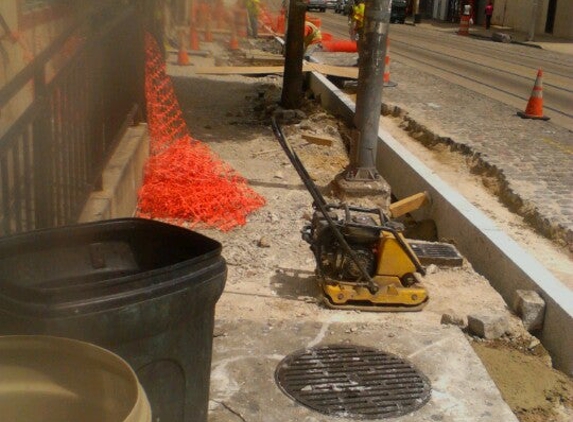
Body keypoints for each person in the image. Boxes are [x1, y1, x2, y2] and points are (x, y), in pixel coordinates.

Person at [350, 0, 365, 64]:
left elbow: (356, 18)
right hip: (362, 27)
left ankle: (361, 60)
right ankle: (361, 59)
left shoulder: (360, 6)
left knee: (360, 44)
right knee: (360, 44)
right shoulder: (362, 6)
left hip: (361, 28)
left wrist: (353, 9)